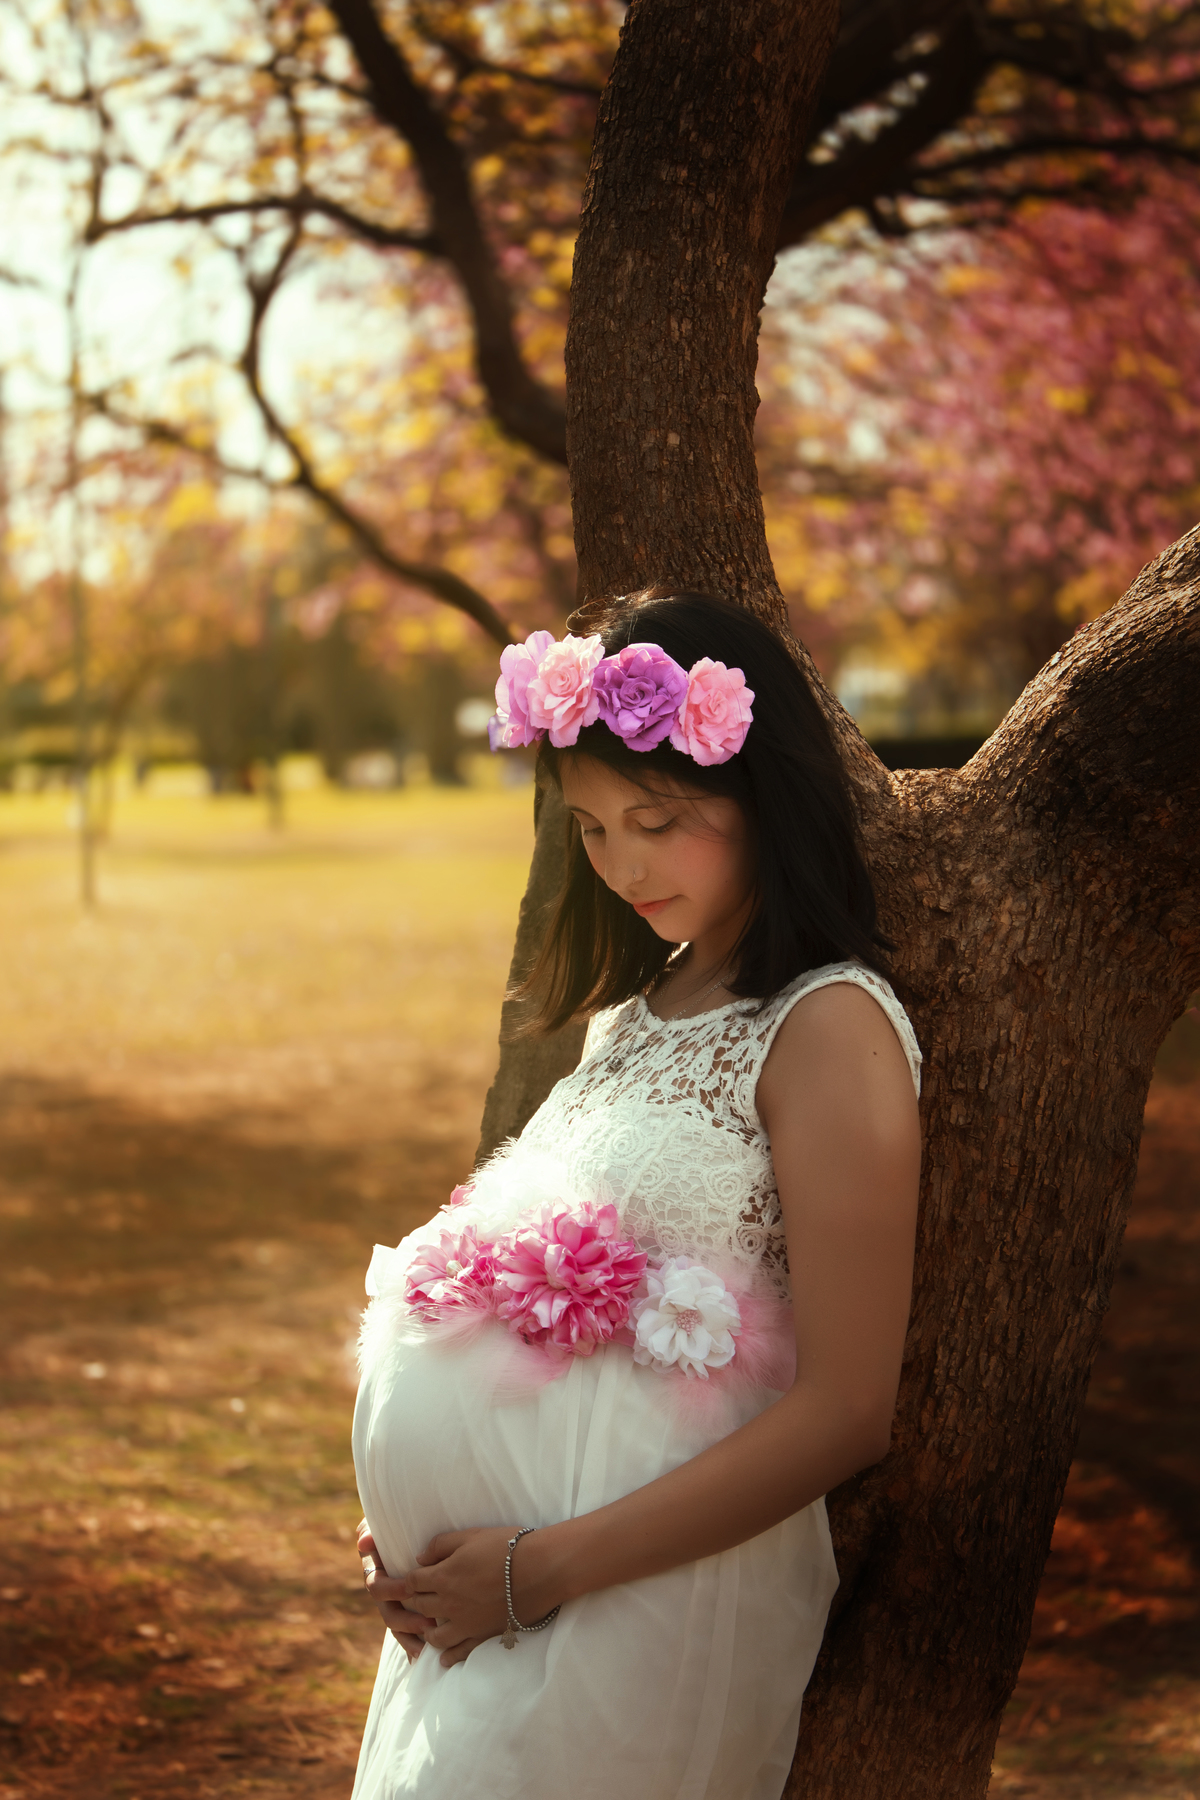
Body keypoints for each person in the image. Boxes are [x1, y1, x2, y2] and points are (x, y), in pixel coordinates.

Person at [351, 592, 922, 1800]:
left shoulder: (828, 1027)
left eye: (657, 819)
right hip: (492, 1600)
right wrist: (421, 1528)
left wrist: (537, 1568)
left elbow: (847, 1409)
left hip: (644, 1602)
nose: (622, 864)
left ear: (762, 792)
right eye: (594, 828)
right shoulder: (633, 1016)